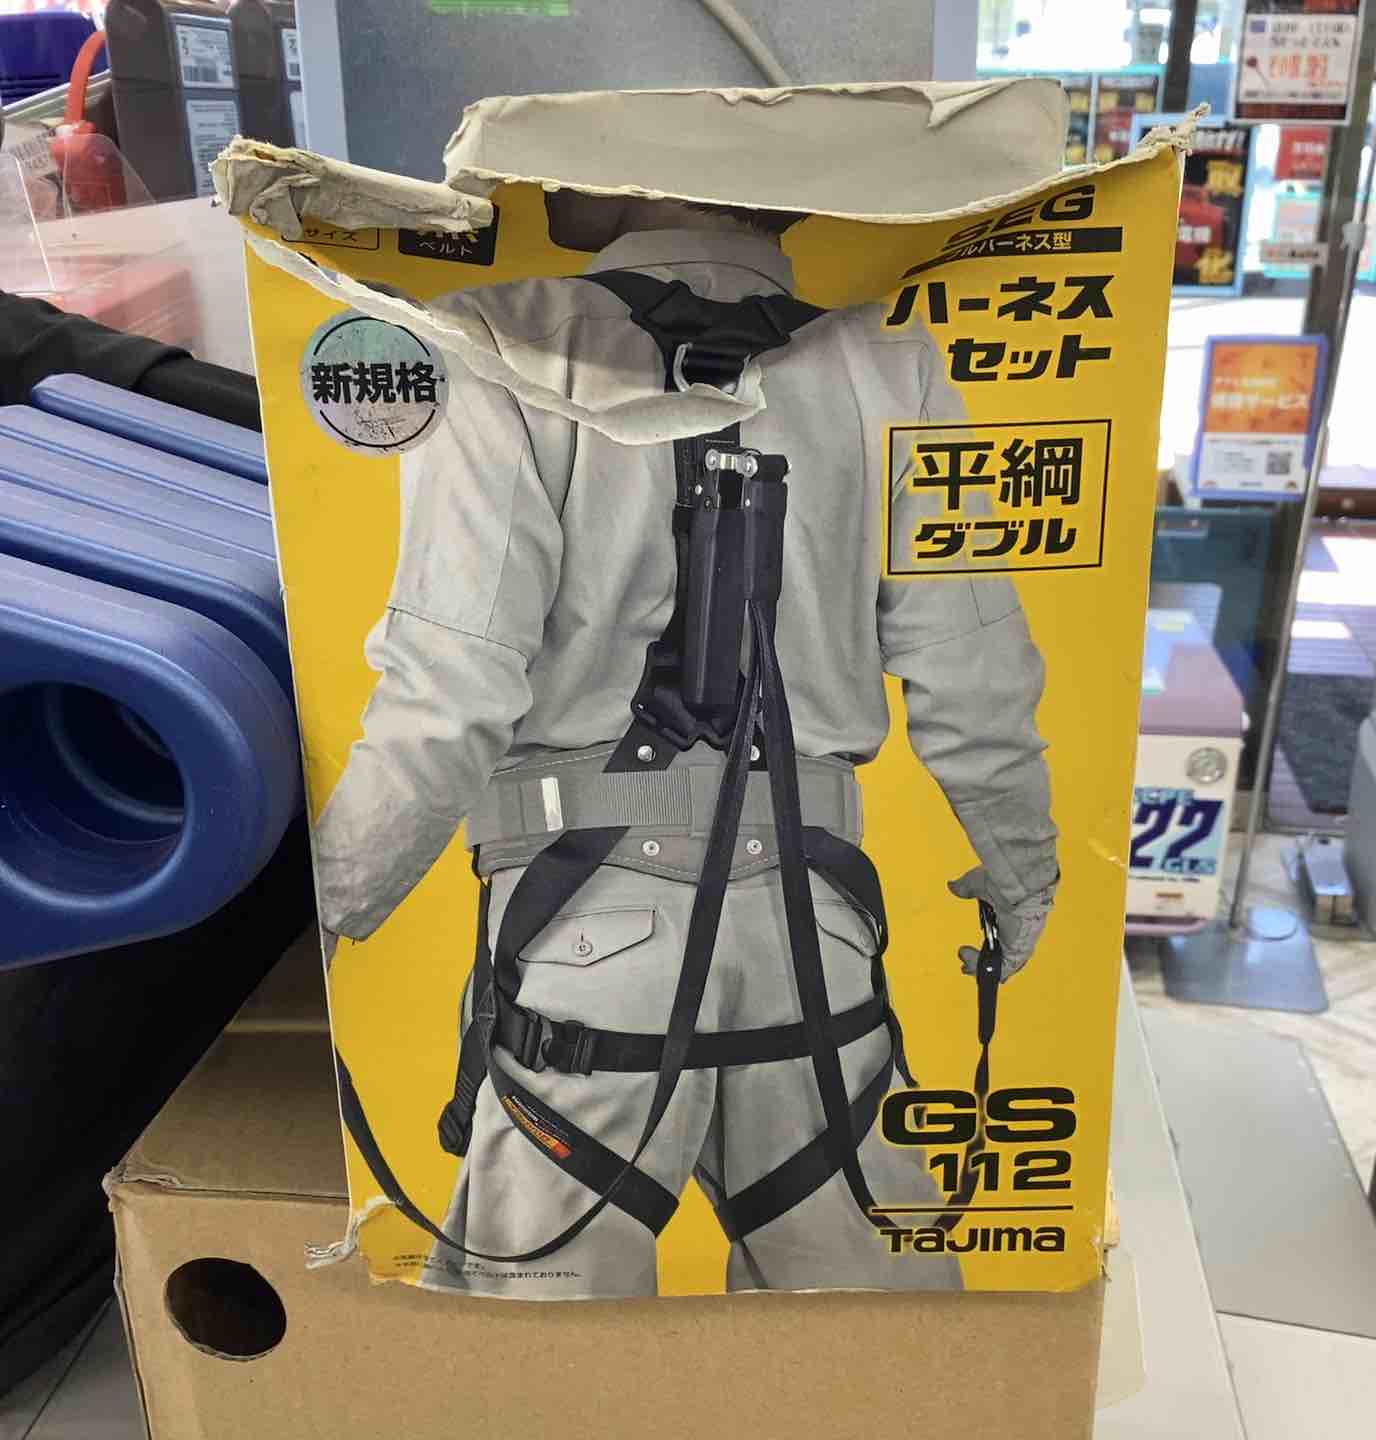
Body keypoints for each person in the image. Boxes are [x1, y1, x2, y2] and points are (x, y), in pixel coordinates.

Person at [316, 193, 1058, 1300]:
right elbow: (975, 667)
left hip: (583, 945)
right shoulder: (891, 364)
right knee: (880, 1356)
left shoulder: (494, 342)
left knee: (537, 1368)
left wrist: (330, 908)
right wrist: (1022, 874)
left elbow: (452, 685)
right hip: (815, 934)